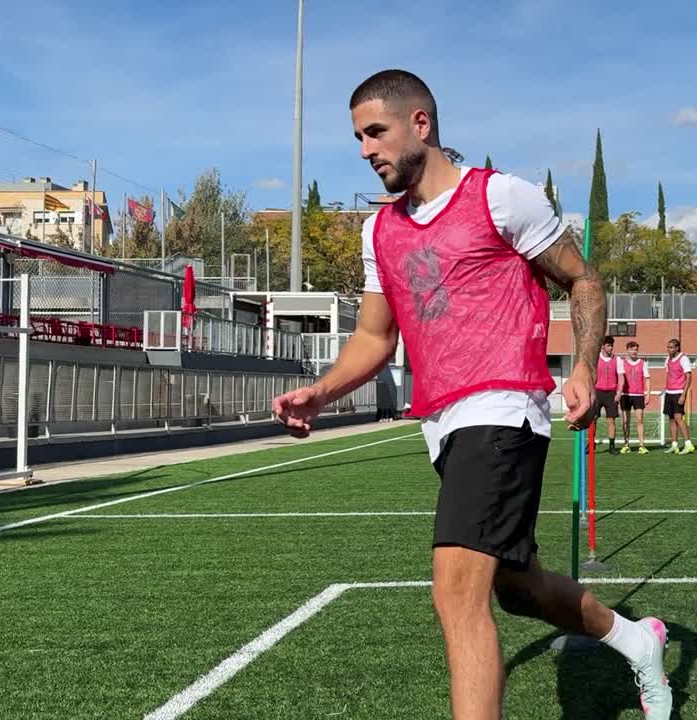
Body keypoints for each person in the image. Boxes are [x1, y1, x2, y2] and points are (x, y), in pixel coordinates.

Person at [272, 70, 671, 720]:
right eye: (357, 138)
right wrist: (322, 391)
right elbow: (375, 338)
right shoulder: (380, 234)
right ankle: (636, 641)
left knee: (456, 594)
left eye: (376, 132)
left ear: (420, 125)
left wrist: (583, 368)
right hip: (442, 425)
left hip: (504, 408)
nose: (366, 150)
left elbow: (585, 283)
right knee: (518, 589)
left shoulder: (502, 198)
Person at [662, 338, 694, 454]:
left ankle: (688, 444)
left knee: (678, 418)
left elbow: (689, 377)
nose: (668, 349)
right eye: (668, 347)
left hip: (678, 392)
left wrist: (683, 394)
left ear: (677, 348)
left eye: (671, 347)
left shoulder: (684, 359)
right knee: (671, 419)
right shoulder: (668, 359)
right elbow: (669, 375)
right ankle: (674, 445)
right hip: (669, 392)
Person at [619, 340, 651, 454]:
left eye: (636, 349)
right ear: (627, 350)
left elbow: (647, 379)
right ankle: (626, 444)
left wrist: (648, 394)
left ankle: (641, 445)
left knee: (639, 420)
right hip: (625, 395)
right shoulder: (622, 363)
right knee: (625, 421)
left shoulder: (643, 363)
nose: (634, 352)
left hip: (638, 395)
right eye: (632, 349)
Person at [594, 336, 624, 453]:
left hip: (611, 393)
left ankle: (612, 446)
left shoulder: (618, 360)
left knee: (611, 420)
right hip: (597, 392)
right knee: (593, 419)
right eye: (608, 345)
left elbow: (621, 378)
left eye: (611, 345)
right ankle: (591, 444)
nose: (610, 348)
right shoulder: (596, 359)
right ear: (602, 346)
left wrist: (619, 393)